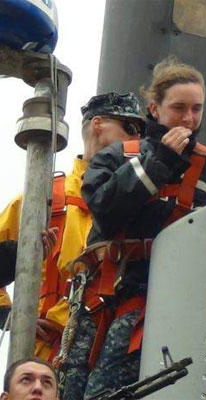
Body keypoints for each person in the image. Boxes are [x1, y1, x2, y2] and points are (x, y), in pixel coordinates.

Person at [60, 57, 206, 400]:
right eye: (178, 108)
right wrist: (161, 162)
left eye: (196, 109)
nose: (188, 118)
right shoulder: (117, 157)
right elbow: (107, 211)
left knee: (107, 392)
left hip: (164, 303)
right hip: (103, 298)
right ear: (154, 109)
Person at [0, 92, 144, 361]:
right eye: (131, 129)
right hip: (45, 361)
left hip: (111, 354)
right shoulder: (40, 200)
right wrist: (10, 316)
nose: (138, 140)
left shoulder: (141, 205)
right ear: (98, 125)